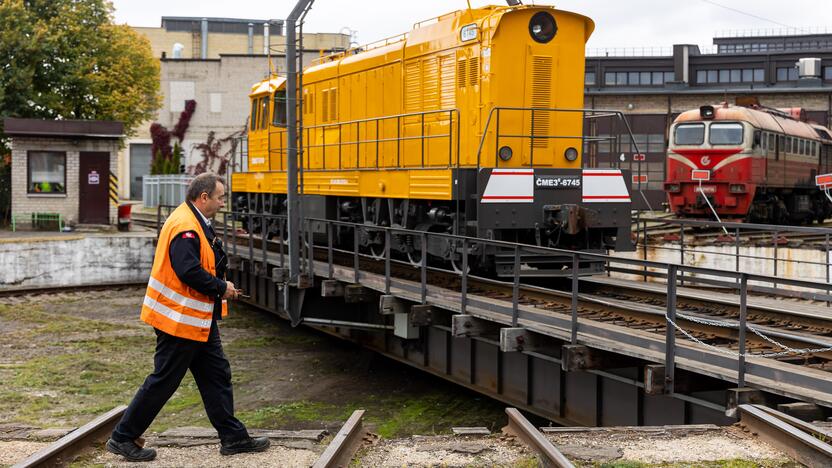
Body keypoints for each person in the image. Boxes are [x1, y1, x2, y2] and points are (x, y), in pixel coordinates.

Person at [106, 173, 269, 462]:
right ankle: (122, 437)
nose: (222, 203)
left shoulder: (191, 221)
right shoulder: (186, 228)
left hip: (196, 320)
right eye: (220, 198)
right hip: (179, 321)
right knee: (164, 381)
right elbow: (188, 271)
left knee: (217, 376)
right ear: (203, 197)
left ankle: (233, 438)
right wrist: (222, 288)